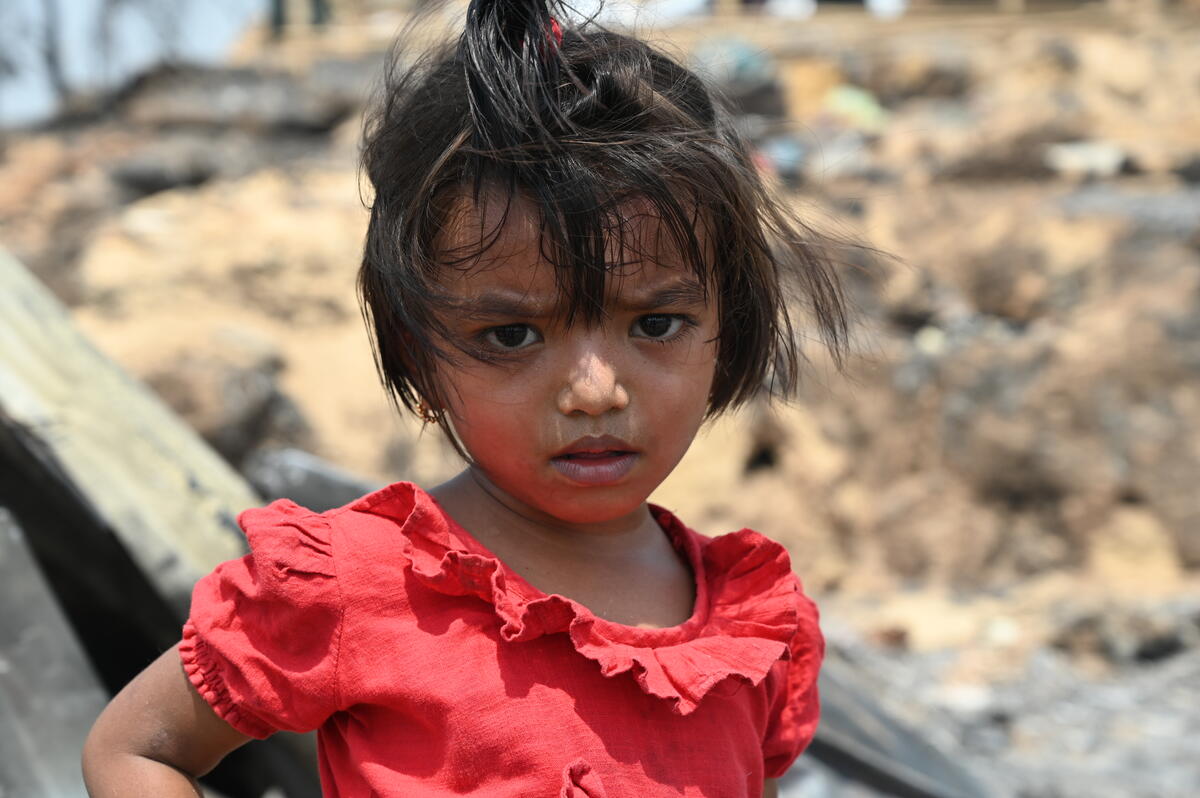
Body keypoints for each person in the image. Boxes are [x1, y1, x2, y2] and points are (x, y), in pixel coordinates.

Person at [81, 0, 853, 795]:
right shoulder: (366, 585)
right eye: (513, 336)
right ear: (420, 356)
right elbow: (139, 750)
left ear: (731, 327)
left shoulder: (751, 628)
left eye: (656, 323)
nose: (594, 391)